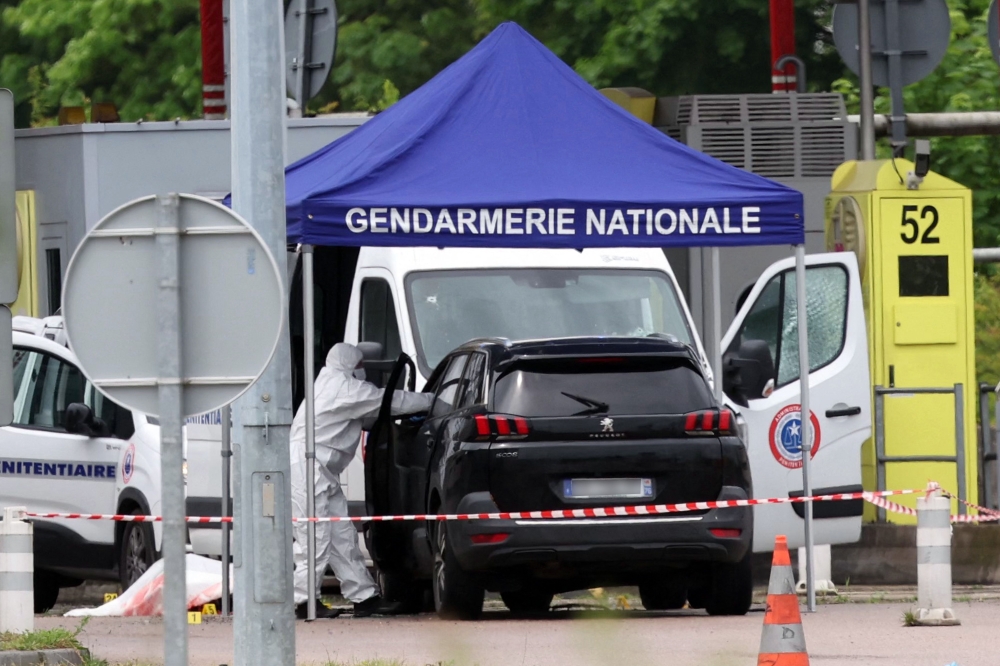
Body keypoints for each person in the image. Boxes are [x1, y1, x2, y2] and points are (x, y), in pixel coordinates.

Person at [290, 343, 434, 619]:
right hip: (310, 467)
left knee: (342, 536)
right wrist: (431, 401)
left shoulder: (330, 385)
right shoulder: (343, 389)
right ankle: (303, 602)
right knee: (315, 537)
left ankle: (364, 597)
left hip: (320, 469)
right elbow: (389, 400)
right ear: (352, 364)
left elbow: (365, 415)